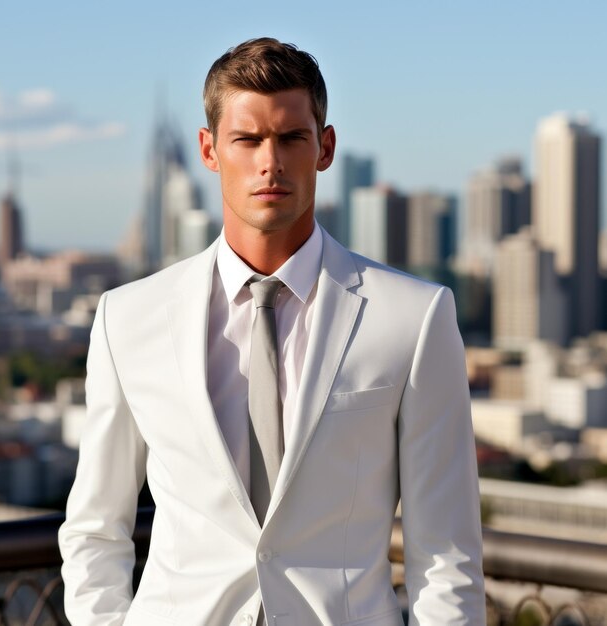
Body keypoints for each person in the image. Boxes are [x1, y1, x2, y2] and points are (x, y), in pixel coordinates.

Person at [59, 37, 485, 625]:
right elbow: (95, 529)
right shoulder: (126, 318)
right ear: (209, 150)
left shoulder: (414, 317)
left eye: (291, 138)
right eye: (248, 139)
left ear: (325, 146)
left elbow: (446, 555)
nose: (270, 162)